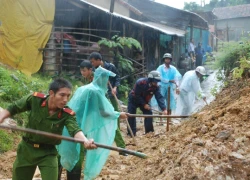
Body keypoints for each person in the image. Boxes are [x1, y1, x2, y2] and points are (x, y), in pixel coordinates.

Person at [0, 78, 96, 180]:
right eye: (62, 95)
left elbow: (75, 130)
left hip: (48, 153)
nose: (65, 100)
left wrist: (85, 141)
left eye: (68, 96)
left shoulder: (67, 113)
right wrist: (1, 117)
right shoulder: (35, 100)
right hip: (26, 149)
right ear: (51, 93)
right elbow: (14, 108)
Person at [58, 67, 127, 180]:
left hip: (66, 123)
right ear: (99, 78)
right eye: (105, 78)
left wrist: (118, 114)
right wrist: (118, 115)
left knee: (63, 153)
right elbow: (103, 112)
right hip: (76, 128)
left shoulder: (85, 88)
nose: (106, 81)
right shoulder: (94, 92)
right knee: (75, 157)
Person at [89, 52, 127, 153]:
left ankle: (117, 133)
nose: (92, 64)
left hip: (111, 93)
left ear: (98, 60)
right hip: (102, 95)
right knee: (108, 115)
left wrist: (115, 87)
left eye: (93, 61)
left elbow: (117, 78)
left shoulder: (110, 67)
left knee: (115, 113)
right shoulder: (95, 70)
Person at [127, 71, 168, 136]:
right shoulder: (140, 82)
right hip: (134, 99)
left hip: (145, 100)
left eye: (157, 82)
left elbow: (159, 97)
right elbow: (137, 95)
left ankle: (149, 133)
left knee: (149, 114)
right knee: (131, 115)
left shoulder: (156, 87)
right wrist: (144, 104)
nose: (156, 83)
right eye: (155, 82)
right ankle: (131, 133)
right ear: (150, 80)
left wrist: (164, 108)